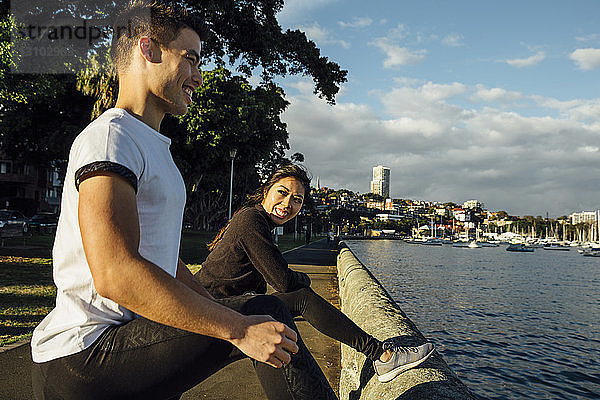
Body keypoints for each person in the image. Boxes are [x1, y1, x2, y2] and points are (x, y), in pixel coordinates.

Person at [30, 2, 337, 399]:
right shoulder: (111, 138)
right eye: (190, 59)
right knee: (269, 316)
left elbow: (163, 260)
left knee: (255, 316)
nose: (197, 76)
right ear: (148, 49)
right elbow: (115, 274)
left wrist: (219, 312)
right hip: (85, 354)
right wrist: (237, 328)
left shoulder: (153, 147)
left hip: (133, 340)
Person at [196, 164, 435, 383]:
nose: (288, 203)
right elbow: (283, 281)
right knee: (301, 296)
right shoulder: (251, 220)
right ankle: (382, 355)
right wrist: (304, 278)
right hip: (211, 311)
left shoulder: (257, 221)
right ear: (266, 190)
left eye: (297, 199)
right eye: (282, 192)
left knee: (283, 317)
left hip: (224, 307)